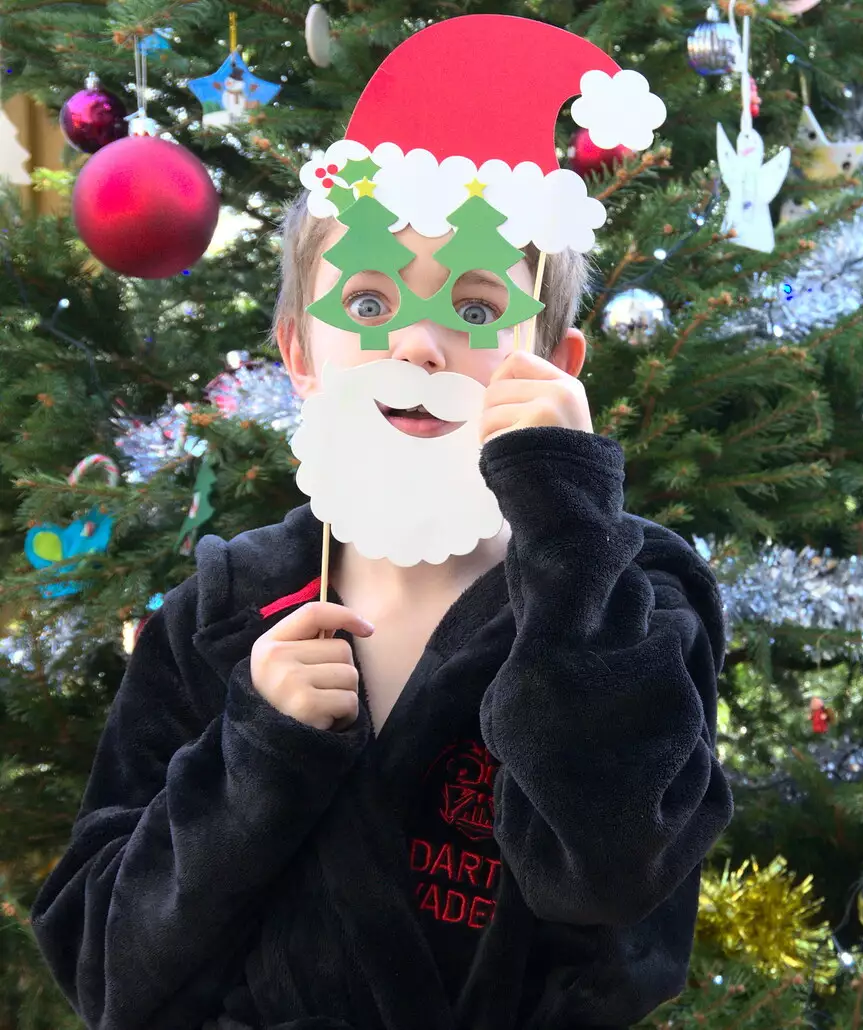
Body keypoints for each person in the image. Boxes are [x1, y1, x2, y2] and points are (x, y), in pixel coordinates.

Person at [33, 17, 730, 1030]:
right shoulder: (222, 617)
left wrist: (570, 528)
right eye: (366, 300)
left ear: (559, 366)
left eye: (477, 306)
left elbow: (621, 882)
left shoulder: (629, 596)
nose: (418, 340)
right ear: (299, 353)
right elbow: (106, 963)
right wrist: (256, 749)